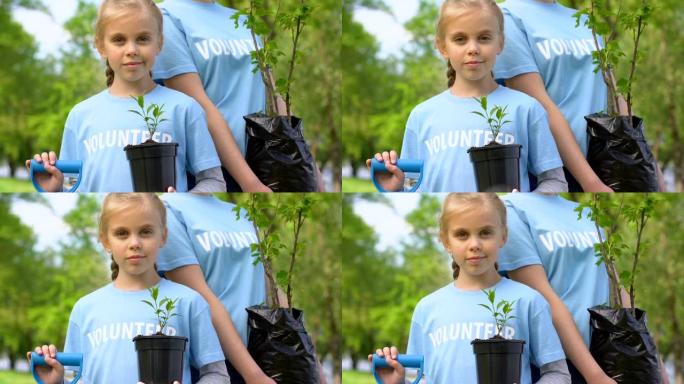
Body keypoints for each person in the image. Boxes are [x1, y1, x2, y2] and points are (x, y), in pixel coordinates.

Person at [27, 193, 229, 384]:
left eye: (146, 232)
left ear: (163, 236)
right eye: (122, 233)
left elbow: (217, 374)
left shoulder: (190, 302)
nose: (135, 243)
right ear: (106, 241)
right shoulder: (85, 309)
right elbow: (77, 377)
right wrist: (58, 381)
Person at [368, 0, 566, 193]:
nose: (473, 49)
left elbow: (555, 181)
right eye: (460, 39)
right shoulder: (421, 116)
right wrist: (395, 187)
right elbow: (412, 185)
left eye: (484, 37)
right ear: (442, 47)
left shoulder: (527, 108)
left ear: (500, 43)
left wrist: (520, 202)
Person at [371, 193, 570, 384]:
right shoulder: (427, 308)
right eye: (462, 234)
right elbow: (420, 378)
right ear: (446, 241)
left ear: (503, 236)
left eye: (485, 232)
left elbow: (558, 374)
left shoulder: (529, 301)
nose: (474, 244)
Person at [26, 0, 224, 193]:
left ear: (159, 43)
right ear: (101, 46)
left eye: (143, 38)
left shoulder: (185, 108)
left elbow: (213, 180)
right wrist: (55, 188)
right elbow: (72, 185)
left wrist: (176, 200)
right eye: (119, 40)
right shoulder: (80, 115)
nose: (131, 50)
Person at [492, 0, 615, 192]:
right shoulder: (503, 17)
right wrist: (591, 183)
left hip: (609, 163)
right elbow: (539, 106)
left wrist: (648, 162)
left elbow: (615, 95)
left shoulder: (584, 20)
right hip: (552, 172)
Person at [151, 0, 273, 192]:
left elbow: (273, 95)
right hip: (212, 172)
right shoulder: (163, 17)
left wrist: (306, 162)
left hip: (267, 163)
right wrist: (250, 183)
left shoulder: (243, 20)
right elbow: (197, 106)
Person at [156, 193, 275, 384]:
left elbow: (272, 289)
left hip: (266, 358)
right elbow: (200, 299)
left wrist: (310, 361)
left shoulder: (242, 213)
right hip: (213, 365)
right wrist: (253, 375)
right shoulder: (165, 209)